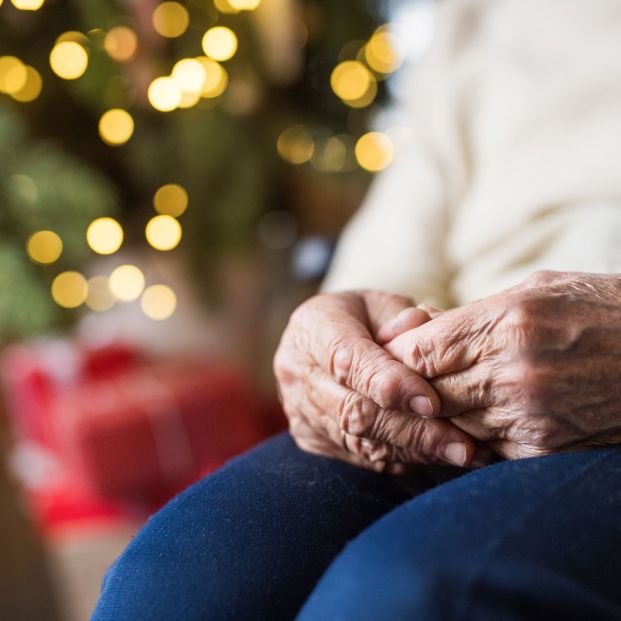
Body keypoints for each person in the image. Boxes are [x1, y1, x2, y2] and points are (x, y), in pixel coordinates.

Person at [91, 0, 621, 619]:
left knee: (411, 596)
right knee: (171, 583)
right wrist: (347, 326)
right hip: (451, 378)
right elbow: (410, 209)